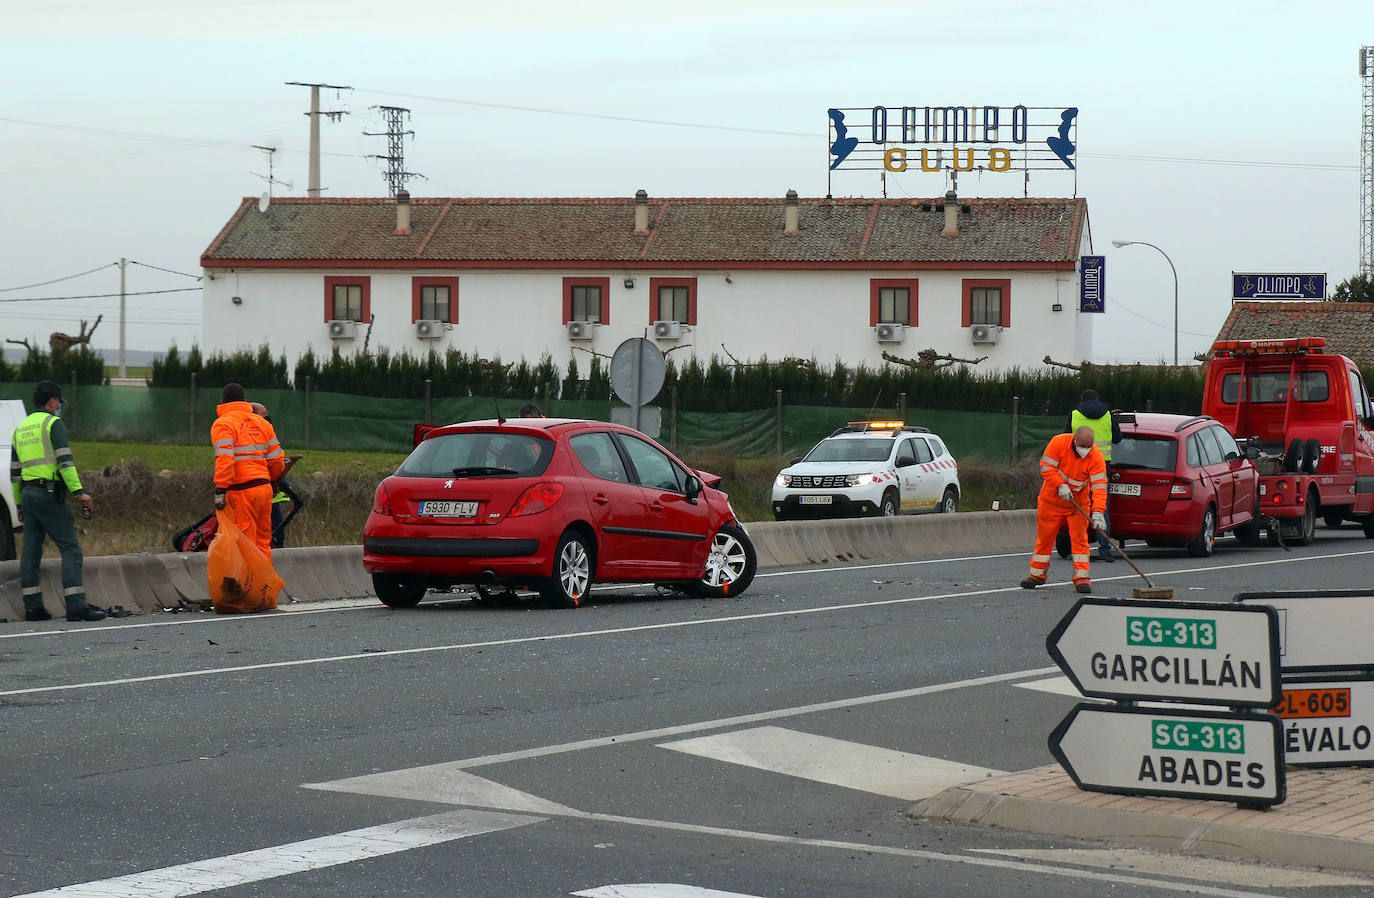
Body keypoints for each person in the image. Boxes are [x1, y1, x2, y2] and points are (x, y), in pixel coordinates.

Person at [9, 380, 106, 622]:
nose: (59, 406)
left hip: (28, 496)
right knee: (71, 549)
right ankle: (76, 606)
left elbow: (14, 475)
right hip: (49, 494)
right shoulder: (53, 424)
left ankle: (33, 608)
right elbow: (65, 463)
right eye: (58, 402)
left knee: (31, 552)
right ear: (52, 401)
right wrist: (79, 492)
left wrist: (19, 504)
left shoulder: (19, 429)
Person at [1021, 425, 1107, 595]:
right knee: (1045, 539)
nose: (1084, 451)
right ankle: (1037, 575)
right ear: (1074, 439)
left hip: (1078, 504)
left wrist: (1098, 513)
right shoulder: (1058, 442)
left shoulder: (1095, 456)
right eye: (1082, 447)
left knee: (1080, 540)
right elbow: (1046, 466)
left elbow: (1099, 487)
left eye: (1088, 448)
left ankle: (1082, 578)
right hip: (1051, 500)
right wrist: (1061, 485)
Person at [213, 384, 285, 559]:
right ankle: (263, 584)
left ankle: (246, 585)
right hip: (264, 491)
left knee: (244, 545)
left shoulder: (223, 424)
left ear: (222, 402)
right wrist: (274, 480)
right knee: (263, 544)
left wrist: (221, 488)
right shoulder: (262, 423)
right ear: (245, 401)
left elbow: (225, 458)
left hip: (241, 492)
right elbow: (277, 461)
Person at [1068, 389, 1122, 562]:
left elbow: (1065, 438)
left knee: (1077, 508)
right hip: (1101, 466)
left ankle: (1076, 549)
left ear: (1082, 400)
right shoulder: (1107, 415)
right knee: (1100, 507)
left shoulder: (1074, 414)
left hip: (1079, 466)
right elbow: (1118, 439)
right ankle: (1105, 549)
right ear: (1098, 400)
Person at [250, 403, 302, 548]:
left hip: (266, 492)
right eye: (263, 413)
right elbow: (274, 463)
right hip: (259, 493)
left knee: (275, 536)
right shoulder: (255, 435)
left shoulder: (263, 433)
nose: (267, 417)